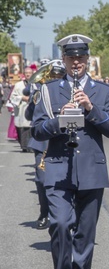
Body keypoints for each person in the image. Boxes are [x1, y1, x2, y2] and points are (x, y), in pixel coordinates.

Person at [31, 34, 109, 269]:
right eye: (71, 57)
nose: (76, 62)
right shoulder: (48, 91)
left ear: (87, 60)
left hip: (91, 170)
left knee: (85, 231)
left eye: (81, 57)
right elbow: (36, 130)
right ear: (64, 59)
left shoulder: (103, 91)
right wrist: (60, 119)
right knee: (59, 223)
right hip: (59, 169)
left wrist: (90, 108)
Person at [25, 60, 67, 230]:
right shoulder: (40, 91)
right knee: (42, 179)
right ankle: (44, 213)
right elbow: (29, 116)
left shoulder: (68, 91)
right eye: (54, 75)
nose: (55, 78)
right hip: (42, 140)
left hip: (61, 137)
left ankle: (64, 213)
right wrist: (34, 101)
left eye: (59, 75)